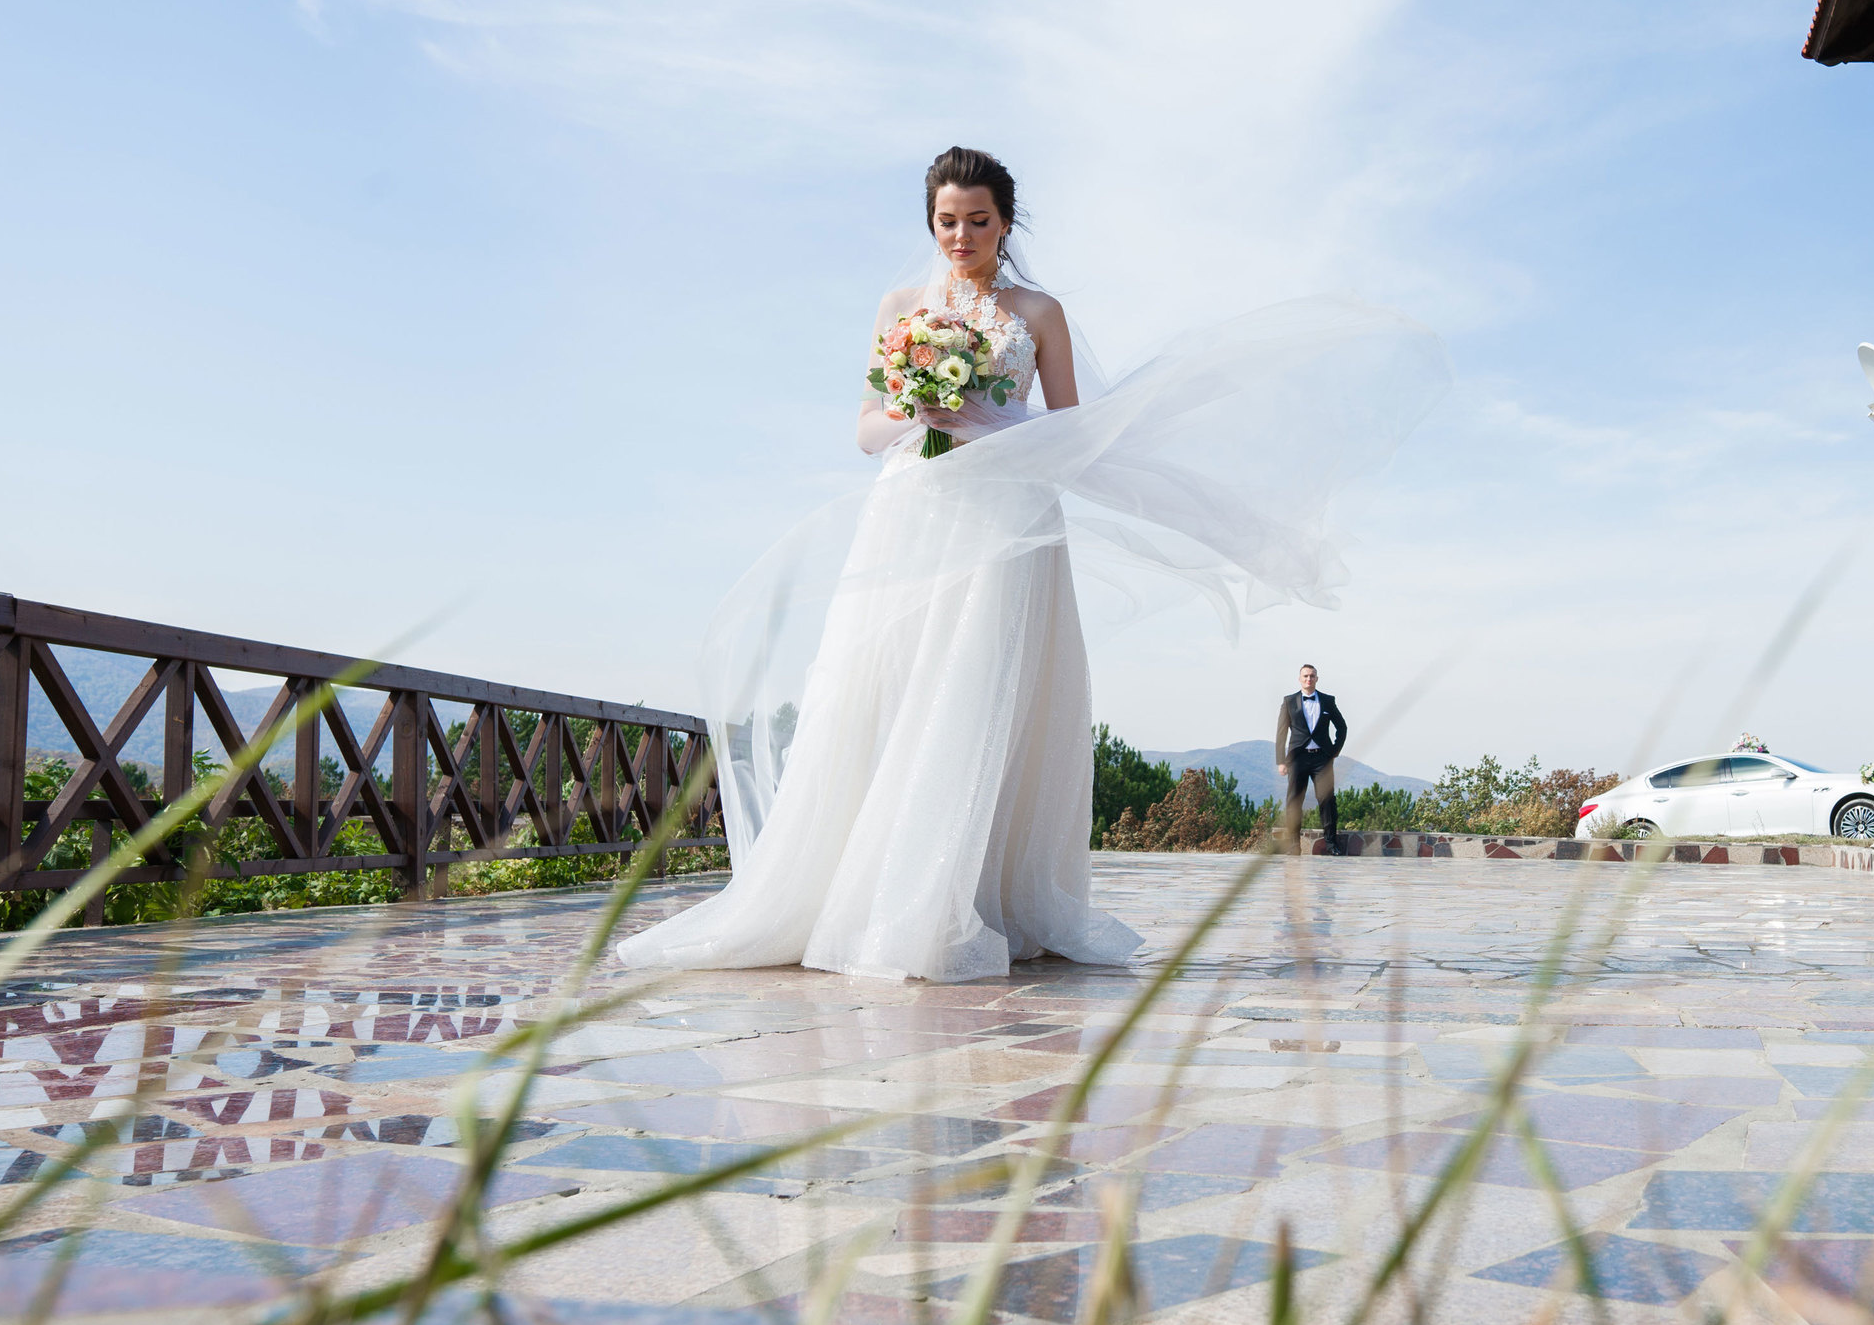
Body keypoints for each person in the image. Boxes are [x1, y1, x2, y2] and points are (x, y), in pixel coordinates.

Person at [617, 147, 1445, 982]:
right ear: (930, 223)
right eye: (947, 221)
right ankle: (865, 894)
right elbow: (866, 429)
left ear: (1006, 223)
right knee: (890, 685)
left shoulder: (1038, 313)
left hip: (1009, 517)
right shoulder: (901, 307)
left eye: (979, 220)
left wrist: (979, 418)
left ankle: (969, 895)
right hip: (911, 514)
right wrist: (921, 416)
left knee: (981, 692)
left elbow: (1072, 438)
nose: (962, 235)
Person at [1275, 665, 1346, 853]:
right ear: (1299, 678)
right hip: (1298, 758)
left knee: (1327, 800)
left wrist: (1334, 751)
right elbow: (1281, 733)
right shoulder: (1289, 701)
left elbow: (1342, 727)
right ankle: (1293, 845)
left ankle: (1332, 845)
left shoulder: (1328, 701)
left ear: (1317, 678)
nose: (1309, 679)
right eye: (1305, 676)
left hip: (1322, 759)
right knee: (1294, 800)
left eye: (1312, 676)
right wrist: (1281, 761)